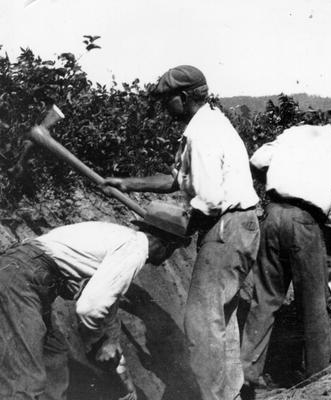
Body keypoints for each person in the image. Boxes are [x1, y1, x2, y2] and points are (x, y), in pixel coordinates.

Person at [102, 65, 260, 400]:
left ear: (184, 97)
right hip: (239, 227)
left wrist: (177, 226)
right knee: (222, 319)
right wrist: (126, 183)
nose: (163, 108)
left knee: (201, 326)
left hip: (225, 229)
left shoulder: (203, 135)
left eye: (165, 101)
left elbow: (211, 199)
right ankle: (230, 394)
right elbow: (175, 180)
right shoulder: (207, 125)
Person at [240, 94, 331, 395]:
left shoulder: (297, 132)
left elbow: (256, 160)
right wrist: (327, 257)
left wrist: (281, 186)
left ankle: (248, 375)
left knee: (265, 298)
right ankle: (319, 379)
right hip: (307, 224)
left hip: (273, 214)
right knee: (314, 303)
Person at [0, 204, 189, 400]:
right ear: (168, 245)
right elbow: (90, 307)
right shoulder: (135, 250)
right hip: (21, 279)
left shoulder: (122, 239)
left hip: (29, 276)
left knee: (54, 358)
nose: (167, 258)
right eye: (172, 250)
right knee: (24, 380)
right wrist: (96, 340)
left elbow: (108, 302)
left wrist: (111, 339)